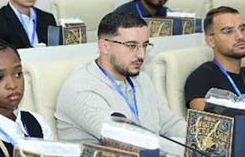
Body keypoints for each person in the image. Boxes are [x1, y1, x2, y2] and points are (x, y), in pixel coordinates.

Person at [56, 11, 185, 149]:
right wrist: (187, 150)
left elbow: (170, 124)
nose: (141, 55)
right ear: (104, 46)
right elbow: (129, 141)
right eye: (131, 46)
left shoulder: (141, 78)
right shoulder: (80, 88)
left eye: (145, 45)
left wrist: (198, 141)